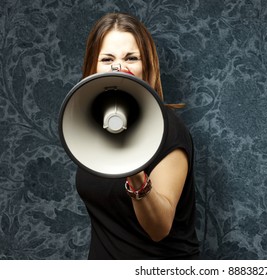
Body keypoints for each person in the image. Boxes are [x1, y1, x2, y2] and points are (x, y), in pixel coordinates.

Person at [75, 12, 200, 259]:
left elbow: (159, 228)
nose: (119, 67)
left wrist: (134, 167)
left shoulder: (169, 131)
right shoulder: (93, 128)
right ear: (92, 66)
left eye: (131, 58)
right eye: (107, 58)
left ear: (147, 67)